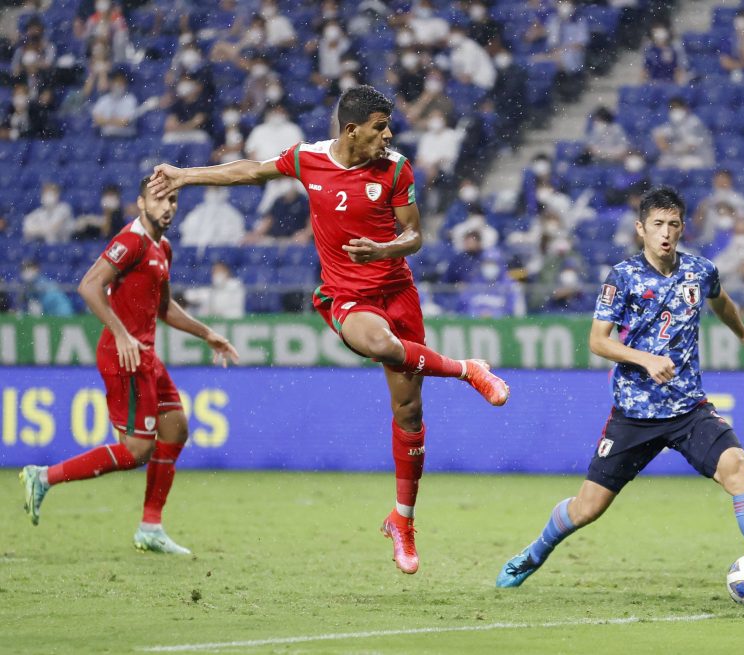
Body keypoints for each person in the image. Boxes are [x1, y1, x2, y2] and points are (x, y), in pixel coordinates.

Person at [147, 85, 510, 575]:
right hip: (349, 296)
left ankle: (401, 521)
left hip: (397, 290)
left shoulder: (397, 169)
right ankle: (469, 371)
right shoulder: (309, 160)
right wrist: (184, 175)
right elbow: (247, 171)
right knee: (377, 343)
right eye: (380, 126)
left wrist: (383, 251)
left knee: (408, 409)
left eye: (389, 126)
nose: (388, 134)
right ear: (351, 130)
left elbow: (415, 235)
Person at [496, 187, 744, 593]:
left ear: (683, 228)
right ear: (641, 229)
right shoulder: (623, 277)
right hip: (634, 414)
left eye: (673, 224)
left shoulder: (700, 270)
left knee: (740, 471)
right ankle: (533, 554)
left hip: (689, 409)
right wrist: (646, 359)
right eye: (657, 224)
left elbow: (721, 301)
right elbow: (598, 341)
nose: (666, 232)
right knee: (588, 508)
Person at [19, 177, 240, 555]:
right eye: (159, 199)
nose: (167, 206)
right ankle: (44, 476)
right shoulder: (131, 241)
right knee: (137, 450)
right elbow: (89, 286)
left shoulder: (162, 247)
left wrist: (206, 333)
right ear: (141, 203)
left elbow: (164, 307)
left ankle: (150, 527)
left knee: (176, 428)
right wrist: (121, 333)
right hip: (124, 356)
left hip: (145, 355)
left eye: (172, 199)